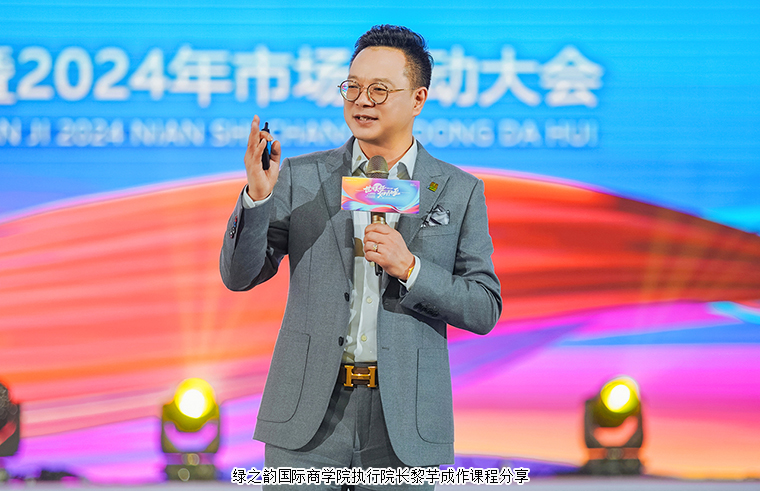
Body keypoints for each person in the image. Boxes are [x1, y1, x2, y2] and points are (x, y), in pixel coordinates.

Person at [220, 25, 501, 490]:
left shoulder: (458, 190)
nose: (362, 101)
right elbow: (240, 275)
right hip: (309, 414)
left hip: (404, 421)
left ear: (418, 98)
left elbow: (484, 307)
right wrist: (257, 196)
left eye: (379, 90)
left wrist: (411, 268)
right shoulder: (301, 177)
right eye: (352, 87)